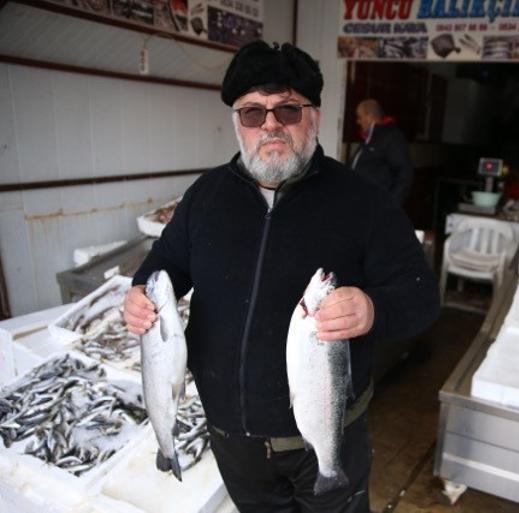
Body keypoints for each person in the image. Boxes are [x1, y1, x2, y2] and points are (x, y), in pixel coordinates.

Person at [122, 41, 440, 513]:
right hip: (233, 439)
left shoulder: (364, 201)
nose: (269, 124)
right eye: (253, 113)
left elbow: (421, 298)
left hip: (329, 436)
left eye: (287, 110)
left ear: (312, 115)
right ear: (238, 124)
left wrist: (373, 308)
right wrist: (140, 292)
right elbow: (166, 263)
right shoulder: (207, 195)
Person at [350, 99, 413, 205]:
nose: (358, 121)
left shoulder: (392, 137)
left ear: (370, 116)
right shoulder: (369, 139)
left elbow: (405, 172)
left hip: (376, 208)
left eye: (360, 117)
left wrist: (391, 205)